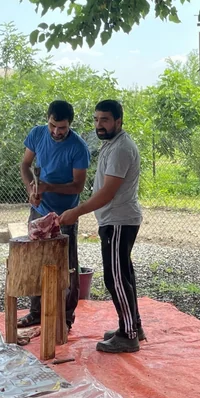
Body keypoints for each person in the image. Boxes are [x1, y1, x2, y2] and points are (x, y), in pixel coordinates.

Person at [60, 100, 144, 354]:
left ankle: (129, 335)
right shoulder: (113, 144)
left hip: (118, 220)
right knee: (123, 275)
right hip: (115, 220)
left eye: (105, 120)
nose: (99, 125)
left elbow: (107, 192)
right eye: (96, 119)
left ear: (118, 121)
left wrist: (76, 212)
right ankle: (132, 326)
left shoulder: (120, 149)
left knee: (115, 277)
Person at [18, 100, 91, 332]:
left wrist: (49, 187)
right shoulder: (37, 134)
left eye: (62, 128)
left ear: (70, 124)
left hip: (65, 214)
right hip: (39, 210)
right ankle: (36, 312)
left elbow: (78, 186)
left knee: (67, 267)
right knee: (36, 262)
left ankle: (66, 318)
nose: (56, 132)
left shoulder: (78, 147)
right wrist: (32, 190)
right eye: (53, 126)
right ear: (47, 119)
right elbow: (25, 165)